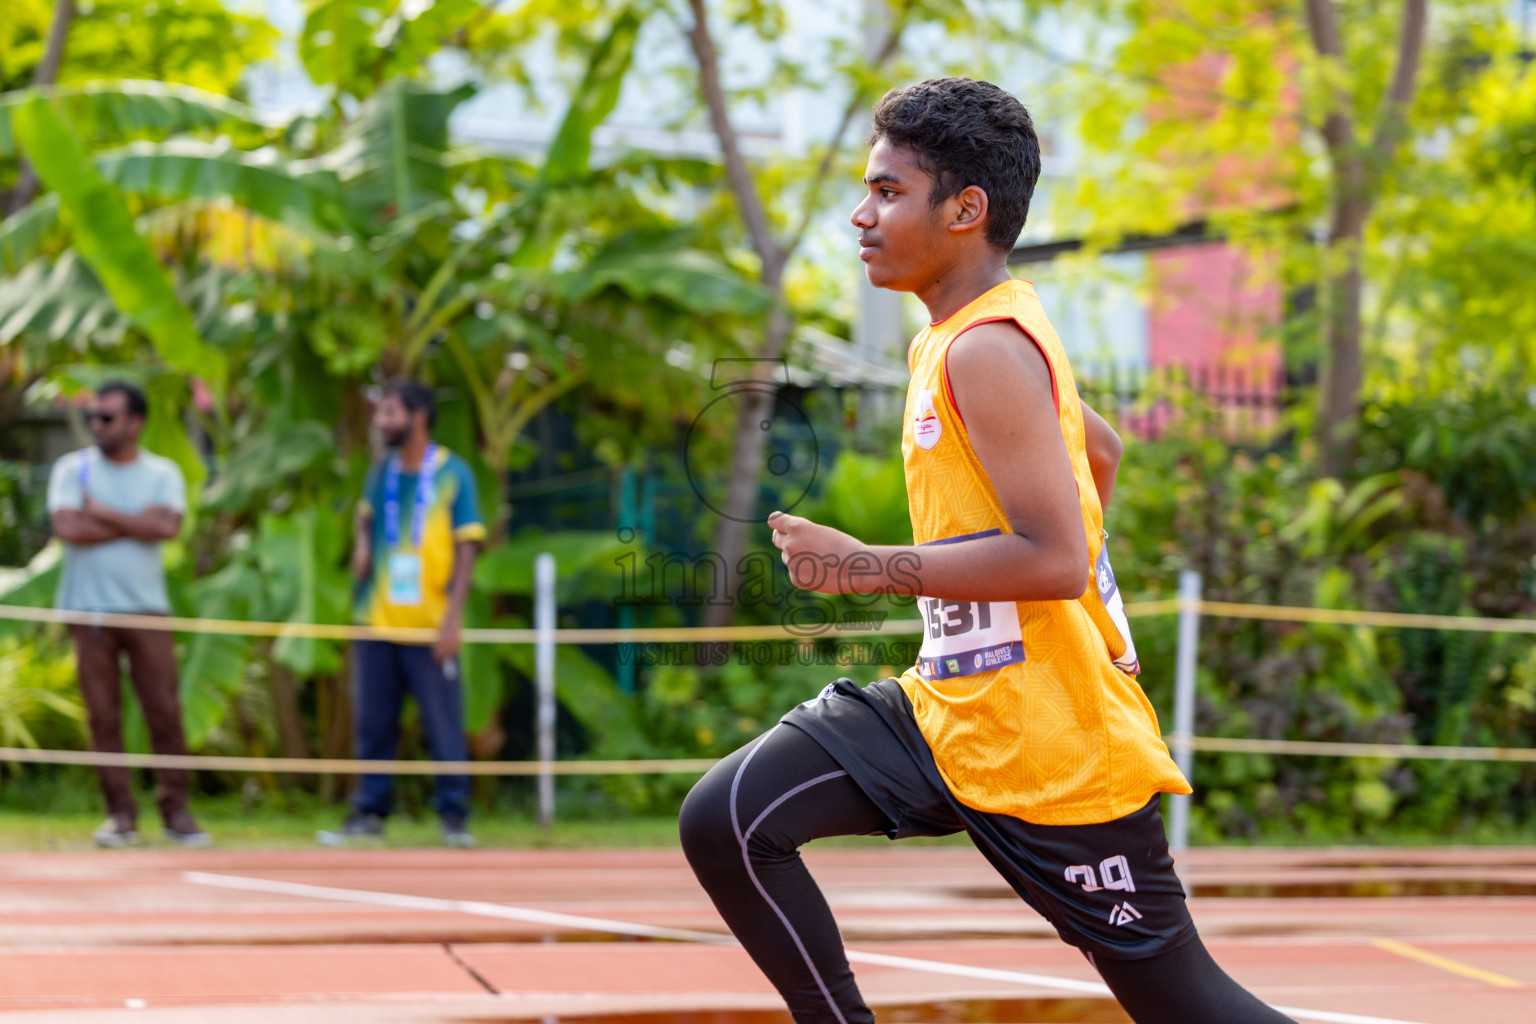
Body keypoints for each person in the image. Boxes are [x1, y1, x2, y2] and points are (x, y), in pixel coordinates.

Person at [679, 79, 1296, 1024]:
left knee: (1186, 1004)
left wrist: (862, 565)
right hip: (950, 711)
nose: (861, 213)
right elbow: (1099, 450)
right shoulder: (959, 333)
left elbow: (1050, 558)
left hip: (1052, 747)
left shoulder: (986, 349)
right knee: (728, 819)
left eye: (888, 191)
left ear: (966, 210)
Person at [318, 379, 485, 848]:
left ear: (419, 416)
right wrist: (363, 545)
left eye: (390, 412)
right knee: (373, 723)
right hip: (376, 620)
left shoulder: (454, 473)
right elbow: (365, 517)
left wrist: (453, 618)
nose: (381, 421)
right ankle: (368, 812)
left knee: (443, 724)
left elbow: (468, 545)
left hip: (431, 624)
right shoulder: (381, 471)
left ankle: (454, 817)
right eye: (380, 412)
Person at [47, 381, 210, 849]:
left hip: (146, 609)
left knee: (165, 711)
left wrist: (100, 514)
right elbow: (67, 527)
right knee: (103, 716)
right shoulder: (71, 469)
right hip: (88, 610)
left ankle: (177, 811)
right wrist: (136, 522)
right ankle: (120, 815)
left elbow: (168, 526)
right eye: (94, 417)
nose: (97, 425)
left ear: (135, 423)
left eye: (108, 418)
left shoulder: (162, 473)